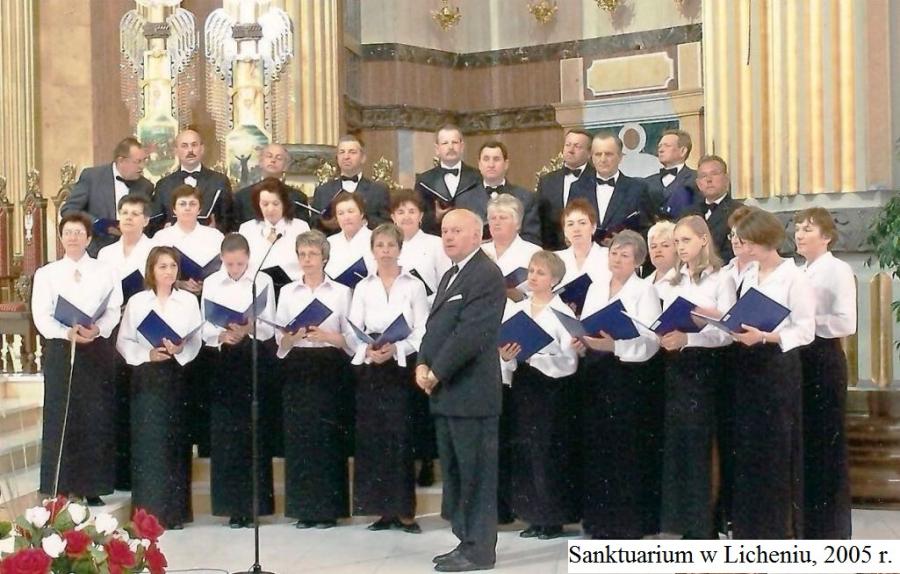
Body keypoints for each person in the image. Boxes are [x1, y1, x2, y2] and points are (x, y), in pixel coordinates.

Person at [416, 209, 506, 572]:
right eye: (444, 231)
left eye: (456, 230)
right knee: (457, 474)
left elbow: (471, 334)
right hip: (448, 393)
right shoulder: (451, 274)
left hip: (472, 393)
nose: (448, 236)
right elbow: (434, 327)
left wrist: (436, 371)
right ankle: (465, 540)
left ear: (477, 235)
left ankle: (479, 550)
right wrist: (422, 362)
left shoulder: (485, 273)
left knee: (476, 476)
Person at [729, 207, 815, 539]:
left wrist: (766, 336)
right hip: (747, 364)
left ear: (766, 240)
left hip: (776, 366)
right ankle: (748, 528)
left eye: (749, 242)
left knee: (776, 447)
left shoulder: (794, 277)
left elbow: (805, 330)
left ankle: (777, 531)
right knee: (749, 447)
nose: (744, 247)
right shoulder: (749, 274)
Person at [574, 230, 661, 539]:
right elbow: (587, 326)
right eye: (614, 253)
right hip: (596, 373)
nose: (617, 259)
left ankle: (626, 524)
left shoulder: (645, 290)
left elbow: (651, 339)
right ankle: (599, 521)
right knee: (597, 447)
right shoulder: (596, 287)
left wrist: (615, 345)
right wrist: (581, 340)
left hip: (627, 375)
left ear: (637, 261)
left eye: (625, 255)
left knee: (625, 449)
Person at [32, 212, 123, 505]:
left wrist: (99, 328)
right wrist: (65, 332)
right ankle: (59, 485)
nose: (73, 237)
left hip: (95, 347)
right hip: (62, 348)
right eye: (68, 233)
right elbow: (41, 315)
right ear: (61, 238)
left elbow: (114, 308)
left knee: (95, 414)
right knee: (61, 414)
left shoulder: (105, 270)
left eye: (78, 233)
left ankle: (92, 486)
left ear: (89, 238)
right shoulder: (47, 273)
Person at [657, 216, 736, 539]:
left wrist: (689, 337)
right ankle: (683, 522)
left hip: (706, 366)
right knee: (679, 444)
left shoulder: (721, 278)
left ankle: (705, 524)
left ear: (704, 240)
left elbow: (728, 331)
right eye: (676, 242)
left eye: (685, 240)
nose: (680, 247)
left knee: (701, 445)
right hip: (676, 366)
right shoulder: (672, 280)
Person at [348, 223, 429, 534]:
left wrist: (397, 348)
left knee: (400, 437)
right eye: (379, 245)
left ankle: (405, 512)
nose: (385, 251)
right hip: (371, 366)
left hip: (401, 367)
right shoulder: (363, 286)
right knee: (374, 438)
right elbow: (353, 328)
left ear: (399, 249)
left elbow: (422, 329)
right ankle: (382, 510)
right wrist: (367, 349)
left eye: (390, 245)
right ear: (372, 250)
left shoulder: (414, 286)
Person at [115, 246, 202, 529]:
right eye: (162, 266)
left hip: (176, 375)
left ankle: (175, 514)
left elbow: (196, 338)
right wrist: (147, 354)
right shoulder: (138, 302)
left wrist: (180, 349)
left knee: (175, 443)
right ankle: (147, 515)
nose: (168, 271)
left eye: (173, 266)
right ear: (151, 270)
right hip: (147, 376)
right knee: (149, 444)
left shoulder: (188, 301)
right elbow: (124, 341)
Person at [275, 230, 354, 529]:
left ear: (324, 258)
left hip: (329, 366)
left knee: (328, 437)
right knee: (300, 438)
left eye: (313, 254)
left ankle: (328, 510)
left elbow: (351, 339)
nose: (307, 260)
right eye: (302, 255)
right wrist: (292, 336)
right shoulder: (288, 292)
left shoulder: (340, 292)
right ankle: (304, 510)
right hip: (298, 366)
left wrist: (328, 336)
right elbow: (279, 340)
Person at [499, 251, 579, 540]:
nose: (533, 277)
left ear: (555, 280)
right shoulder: (517, 309)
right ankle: (532, 516)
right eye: (531, 271)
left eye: (540, 273)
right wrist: (506, 356)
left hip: (550, 388)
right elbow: (505, 348)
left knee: (547, 452)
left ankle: (551, 519)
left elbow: (570, 359)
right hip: (524, 384)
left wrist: (537, 356)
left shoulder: (562, 312)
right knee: (525, 450)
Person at [200, 233, 277, 528]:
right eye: (230, 264)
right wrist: (221, 334)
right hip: (224, 360)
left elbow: (269, 326)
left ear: (248, 259)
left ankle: (255, 507)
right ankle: (232, 507)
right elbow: (204, 325)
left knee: (253, 432)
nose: (235, 269)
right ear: (222, 259)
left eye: (240, 264)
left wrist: (248, 329)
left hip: (253, 358)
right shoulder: (212, 282)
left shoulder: (262, 280)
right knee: (227, 435)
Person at [794, 207, 855, 539]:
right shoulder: (799, 271)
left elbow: (846, 322)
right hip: (800, 359)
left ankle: (831, 531)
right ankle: (807, 526)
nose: (799, 234)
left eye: (808, 229)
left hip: (824, 357)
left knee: (826, 444)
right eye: (798, 228)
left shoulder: (838, 270)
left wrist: (804, 321)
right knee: (805, 443)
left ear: (827, 236)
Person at [153, 185, 226, 458]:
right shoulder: (163, 236)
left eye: (192, 204)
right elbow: (155, 268)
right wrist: (180, 282)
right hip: (174, 304)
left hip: (207, 306)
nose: (187, 208)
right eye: (182, 204)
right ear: (173, 209)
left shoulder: (214, 235)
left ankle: (204, 444)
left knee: (203, 374)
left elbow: (223, 268)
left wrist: (206, 283)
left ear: (200, 208)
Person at [390, 189, 450, 486]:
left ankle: (426, 460)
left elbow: (447, 283)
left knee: (421, 398)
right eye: (400, 212)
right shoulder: (387, 243)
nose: (406, 217)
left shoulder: (435, 245)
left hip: (426, 325)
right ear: (392, 217)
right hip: (394, 330)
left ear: (421, 216)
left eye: (411, 211)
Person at [97, 194, 156, 491]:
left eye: (135, 213)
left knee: (139, 400)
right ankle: (117, 474)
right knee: (115, 400)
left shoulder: (153, 250)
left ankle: (139, 474)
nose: (129, 218)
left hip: (143, 330)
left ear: (146, 220)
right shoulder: (105, 254)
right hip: (111, 328)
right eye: (124, 213)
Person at [60, 137, 154, 255]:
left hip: (133, 251)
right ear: (121, 161)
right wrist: (98, 223)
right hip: (96, 250)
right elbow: (69, 210)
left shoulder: (145, 186)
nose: (142, 166)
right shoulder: (92, 177)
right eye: (138, 161)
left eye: (144, 161)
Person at [568, 132, 654, 246]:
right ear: (591, 157)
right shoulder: (577, 188)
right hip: (587, 254)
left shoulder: (638, 189)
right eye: (598, 154)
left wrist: (625, 239)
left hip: (624, 253)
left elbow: (648, 230)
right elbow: (569, 223)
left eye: (608, 154)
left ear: (620, 157)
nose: (603, 159)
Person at [237, 177, 311, 298]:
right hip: (257, 293)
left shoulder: (300, 227)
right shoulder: (247, 229)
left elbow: (309, 264)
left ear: (284, 203)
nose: (270, 209)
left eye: (275, 204)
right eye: (265, 204)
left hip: (295, 292)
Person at [152, 129, 233, 234]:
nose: (190, 150)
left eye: (194, 145)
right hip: (172, 242)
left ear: (202, 149)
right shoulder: (163, 185)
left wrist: (215, 233)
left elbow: (228, 219)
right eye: (184, 146)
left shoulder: (220, 181)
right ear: (176, 151)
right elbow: (155, 222)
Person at [312, 135, 390, 232]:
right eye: (342, 152)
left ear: (363, 158)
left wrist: (365, 221)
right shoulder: (322, 191)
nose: (346, 157)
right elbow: (314, 225)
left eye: (352, 152)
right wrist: (325, 223)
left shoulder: (378, 190)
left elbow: (387, 225)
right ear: (337, 158)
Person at [467, 141, 540, 244]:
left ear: (506, 164)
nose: (491, 165)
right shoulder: (465, 199)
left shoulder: (525, 198)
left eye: (496, 159)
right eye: (486, 159)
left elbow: (531, 237)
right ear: (479, 164)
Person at [415, 124, 481, 235]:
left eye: (454, 142)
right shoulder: (424, 181)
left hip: (469, 237)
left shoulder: (477, 177)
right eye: (445, 143)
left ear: (462, 146)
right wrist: (435, 217)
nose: (450, 147)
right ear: (437, 149)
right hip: (436, 238)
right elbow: (417, 215)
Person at [536, 129, 595, 251]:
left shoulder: (597, 179)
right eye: (568, 145)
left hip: (588, 249)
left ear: (589, 153)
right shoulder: (547, 181)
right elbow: (540, 219)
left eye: (577, 146)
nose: (570, 150)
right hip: (553, 250)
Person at [232, 143, 313, 229]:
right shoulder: (242, 197)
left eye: (279, 158)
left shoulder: (297, 198)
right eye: (269, 156)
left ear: (286, 166)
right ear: (260, 162)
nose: (273, 160)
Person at [481, 194, 542, 302]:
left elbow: (541, 291)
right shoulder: (479, 251)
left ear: (517, 223)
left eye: (503, 218)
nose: (497, 222)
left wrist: (520, 295)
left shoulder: (534, 252)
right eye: (493, 218)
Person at [684, 155, 740, 262]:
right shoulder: (687, 214)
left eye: (714, 174)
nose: (709, 180)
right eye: (703, 176)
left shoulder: (739, 212)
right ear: (698, 184)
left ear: (726, 179)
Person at [554, 199, 610, 303]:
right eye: (570, 224)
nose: (576, 229)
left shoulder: (609, 256)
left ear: (593, 227)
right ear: (564, 231)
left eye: (582, 223)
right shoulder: (555, 259)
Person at [324, 191, 376, 285]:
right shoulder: (329, 242)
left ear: (361, 213)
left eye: (351, 211)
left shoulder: (375, 239)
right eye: (341, 213)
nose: (346, 217)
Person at [644, 129, 697, 220]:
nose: (660, 150)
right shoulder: (647, 182)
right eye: (659, 146)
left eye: (667, 146)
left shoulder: (696, 179)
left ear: (683, 151)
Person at [645, 220, 678, 300]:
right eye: (653, 247)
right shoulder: (644, 283)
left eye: (665, 245)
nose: (658, 250)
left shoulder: (686, 281)